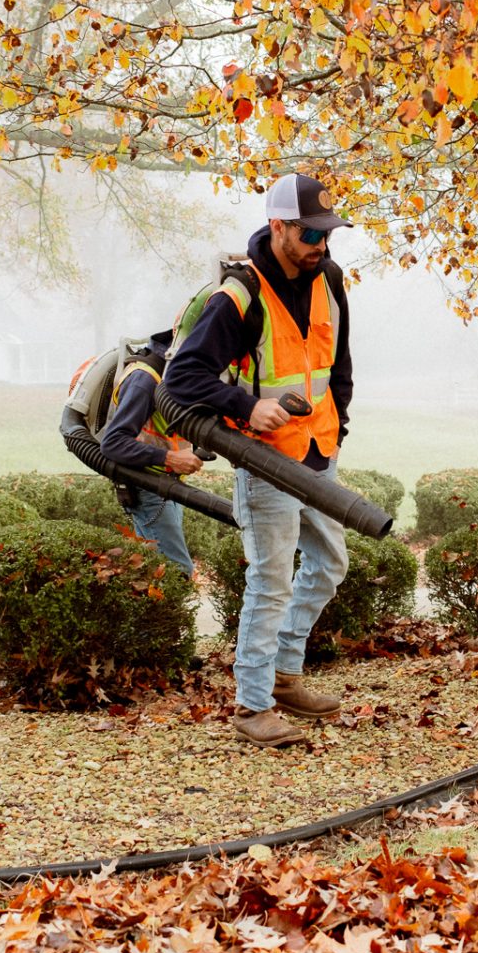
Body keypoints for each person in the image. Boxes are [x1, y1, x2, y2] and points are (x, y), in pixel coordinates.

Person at [166, 173, 353, 748]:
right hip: (267, 460)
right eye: (310, 233)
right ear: (278, 227)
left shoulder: (330, 278)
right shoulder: (238, 296)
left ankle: (284, 672)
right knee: (271, 581)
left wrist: (338, 423)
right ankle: (252, 706)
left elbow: (339, 363)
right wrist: (247, 408)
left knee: (330, 563)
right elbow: (182, 378)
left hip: (318, 451)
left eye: (327, 232)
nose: (321, 244)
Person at [99, 332, 204, 578]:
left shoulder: (169, 377)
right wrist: (170, 459)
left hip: (166, 486)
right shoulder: (144, 380)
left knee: (153, 576)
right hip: (148, 489)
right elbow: (112, 443)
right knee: (176, 573)